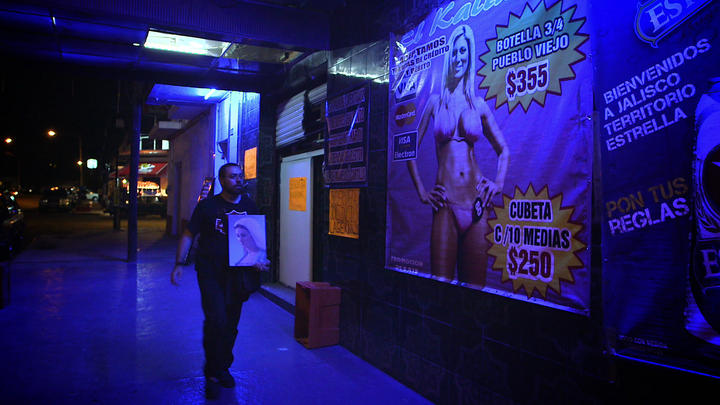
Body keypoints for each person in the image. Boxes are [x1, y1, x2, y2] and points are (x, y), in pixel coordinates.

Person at [407, 24, 509, 286]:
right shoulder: (435, 102)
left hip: (476, 205)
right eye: (454, 52)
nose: (458, 57)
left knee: (475, 290)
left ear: (469, 54)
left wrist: (498, 184)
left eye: (462, 51)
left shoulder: (479, 105)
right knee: (440, 286)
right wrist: (422, 192)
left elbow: (504, 150)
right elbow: (407, 149)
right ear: (448, 57)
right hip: (446, 204)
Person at [171, 163, 269, 399]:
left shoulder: (249, 205)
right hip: (210, 273)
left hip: (238, 275)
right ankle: (212, 371)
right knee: (217, 320)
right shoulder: (207, 206)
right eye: (233, 177)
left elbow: (255, 239)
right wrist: (179, 263)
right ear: (222, 180)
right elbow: (189, 234)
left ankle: (222, 367)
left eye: (240, 176)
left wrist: (259, 259)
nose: (238, 180)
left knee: (231, 325)